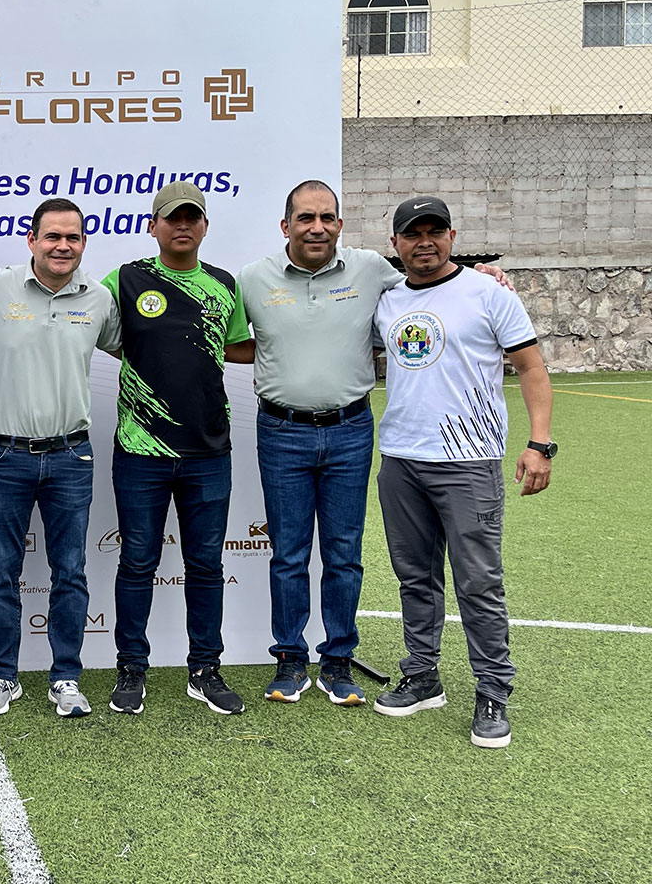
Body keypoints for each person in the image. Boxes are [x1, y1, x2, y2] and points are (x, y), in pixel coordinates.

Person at [235, 181, 516, 708]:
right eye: (305, 218)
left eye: (327, 218)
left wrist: (485, 273)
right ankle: (290, 659)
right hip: (281, 431)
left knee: (344, 553)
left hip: (350, 430)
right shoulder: (253, 279)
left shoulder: (371, 270)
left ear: (340, 225)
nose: (317, 227)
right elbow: (234, 343)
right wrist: (281, 353)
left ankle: (338, 660)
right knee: (288, 553)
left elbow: (431, 282)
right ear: (286, 226)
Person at [372, 196, 552, 749]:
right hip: (401, 459)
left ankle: (493, 690)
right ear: (396, 244)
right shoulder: (387, 300)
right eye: (412, 233)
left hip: (467, 460)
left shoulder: (488, 292)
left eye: (435, 231)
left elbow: (531, 367)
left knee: (478, 582)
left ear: (452, 236)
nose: (424, 242)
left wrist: (539, 444)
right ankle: (422, 675)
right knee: (414, 576)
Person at [0, 198, 121, 719]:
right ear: (32, 240)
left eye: (72, 237)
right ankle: (3, 676)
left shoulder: (99, 299)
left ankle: (65, 677)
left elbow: (128, 348)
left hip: (71, 454)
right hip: (4, 453)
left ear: (83, 243)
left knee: (70, 571)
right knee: (1, 570)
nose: (62, 246)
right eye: (52, 236)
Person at [102, 180, 254, 716]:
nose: (182, 225)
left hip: (208, 451)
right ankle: (131, 668)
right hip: (139, 449)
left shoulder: (224, 284)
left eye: (192, 217)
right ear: (154, 226)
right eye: (172, 217)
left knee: (206, 565)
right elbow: (77, 310)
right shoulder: (125, 279)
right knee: (137, 561)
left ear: (205, 225)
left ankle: (204, 669)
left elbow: (239, 346)